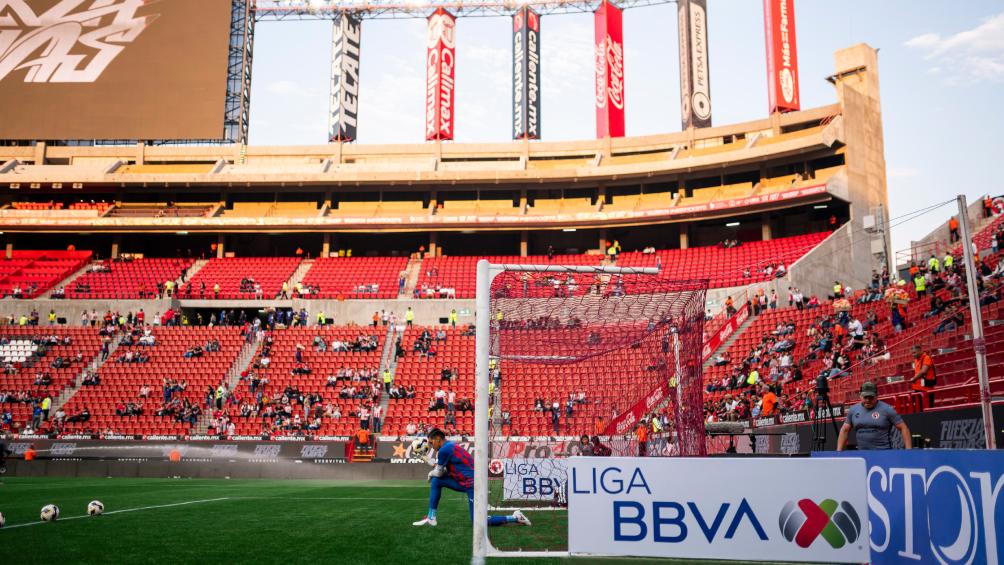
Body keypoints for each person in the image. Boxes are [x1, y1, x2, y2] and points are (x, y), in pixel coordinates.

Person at [412, 428, 531, 528]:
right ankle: (431, 517)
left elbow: (438, 472)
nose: (431, 446)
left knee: (479, 522)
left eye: (432, 443)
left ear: (438, 438)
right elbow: (441, 470)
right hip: (465, 482)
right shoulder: (448, 447)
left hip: (474, 485)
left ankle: (515, 517)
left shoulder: (444, 450)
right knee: (437, 481)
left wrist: (431, 473)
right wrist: (428, 462)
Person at [837, 382, 912, 450]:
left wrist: (909, 451)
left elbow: (903, 428)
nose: (868, 400)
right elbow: (844, 430)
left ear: (876, 395)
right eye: (865, 397)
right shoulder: (853, 410)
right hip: (862, 454)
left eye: (871, 397)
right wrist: (839, 452)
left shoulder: (887, 409)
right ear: (860, 395)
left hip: (883, 453)